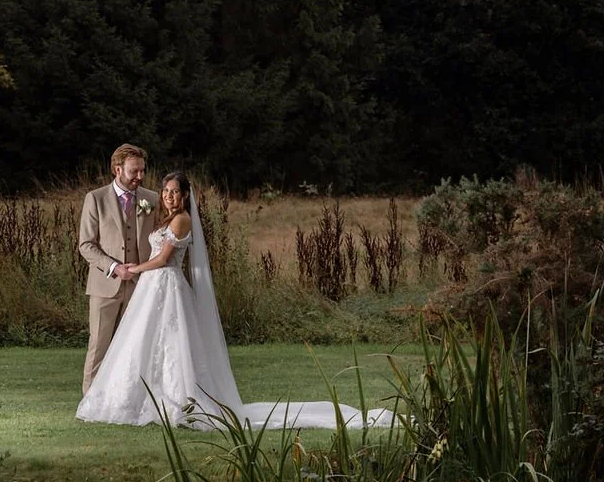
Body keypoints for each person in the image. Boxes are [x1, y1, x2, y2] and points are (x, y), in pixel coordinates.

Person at [76, 171, 395, 430]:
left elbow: (162, 259)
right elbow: (133, 220)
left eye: (175, 192)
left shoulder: (181, 220)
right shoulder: (160, 212)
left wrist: (132, 268)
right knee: (143, 342)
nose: (170, 196)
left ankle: (177, 399)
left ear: (186, 195)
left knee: (171, 343)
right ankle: (131, 396)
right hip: (151, 288)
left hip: (165, 284)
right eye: (166, 191)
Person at [78, 143, 160, 395]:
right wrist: (115, 267)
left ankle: (124, 398)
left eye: (142, 171)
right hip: (105, 286)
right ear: (117, 170)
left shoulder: (152, 199)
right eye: (134, 171)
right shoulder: (96, 198)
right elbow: (86, 245)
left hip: (140, 285)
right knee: (99, 345)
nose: (140, 177)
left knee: (133, 346)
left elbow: (158, 238)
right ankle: (90, 399)